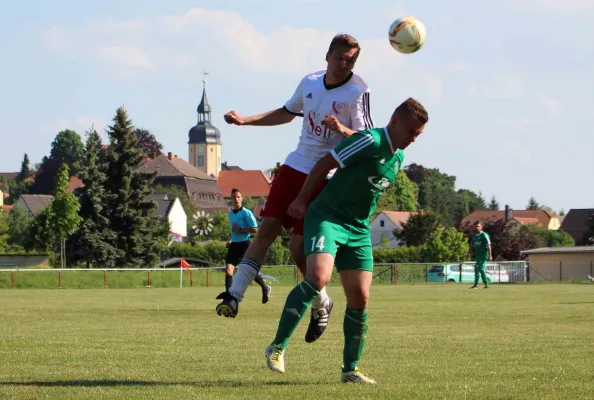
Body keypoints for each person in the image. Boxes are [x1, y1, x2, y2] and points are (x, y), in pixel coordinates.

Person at [216, 33, 374, 344]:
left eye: (351, 60)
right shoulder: (310, 81)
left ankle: (321, 302)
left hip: (328, 177)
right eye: (340, 57)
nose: (344, 64)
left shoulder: (359, 90)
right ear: (327, 55)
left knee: (299, 250)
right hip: (294, 167)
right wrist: (246, 121)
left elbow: (366, 140)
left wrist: (341, 129)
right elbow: (287, 112)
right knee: (266, 230)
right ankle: (233, 297)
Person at [264, 98, 429, 384]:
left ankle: (350, 369)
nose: (414, 139)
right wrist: (302, 199)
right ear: (395, 121)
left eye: (419, 135)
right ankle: (277, 346)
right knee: (317, 278)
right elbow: (325, 163)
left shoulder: (398, 158)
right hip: (327, 218)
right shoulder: (369, 140)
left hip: (358, 229)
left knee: (360, 297)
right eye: (412, 132)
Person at [225, 188, 271, 303]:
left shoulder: (246, 213)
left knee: (249, 271)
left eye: (238, 197)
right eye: (234, 197)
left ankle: (265, 288)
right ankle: (229, 298)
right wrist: (231, 240)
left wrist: (240, 229)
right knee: (228, 270)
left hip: (245, 245)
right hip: (234, 245)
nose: (236, 199)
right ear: (231, 199)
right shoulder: (230, 214)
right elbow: (233, 231)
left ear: (242, 198)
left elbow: (255, 229)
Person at [470, 222, 492, 289]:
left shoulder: (484, 235)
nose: (477, 227)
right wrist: (471, 252)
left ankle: (485, 285)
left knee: (480, 269)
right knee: (477, 269)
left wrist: (490, 255)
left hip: (484, 255)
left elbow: (489, 245)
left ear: (481, 227)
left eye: (478, 226)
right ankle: (476, 285)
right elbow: (472, 245)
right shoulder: (474, 236)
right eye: (476, 226)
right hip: (477, 256)